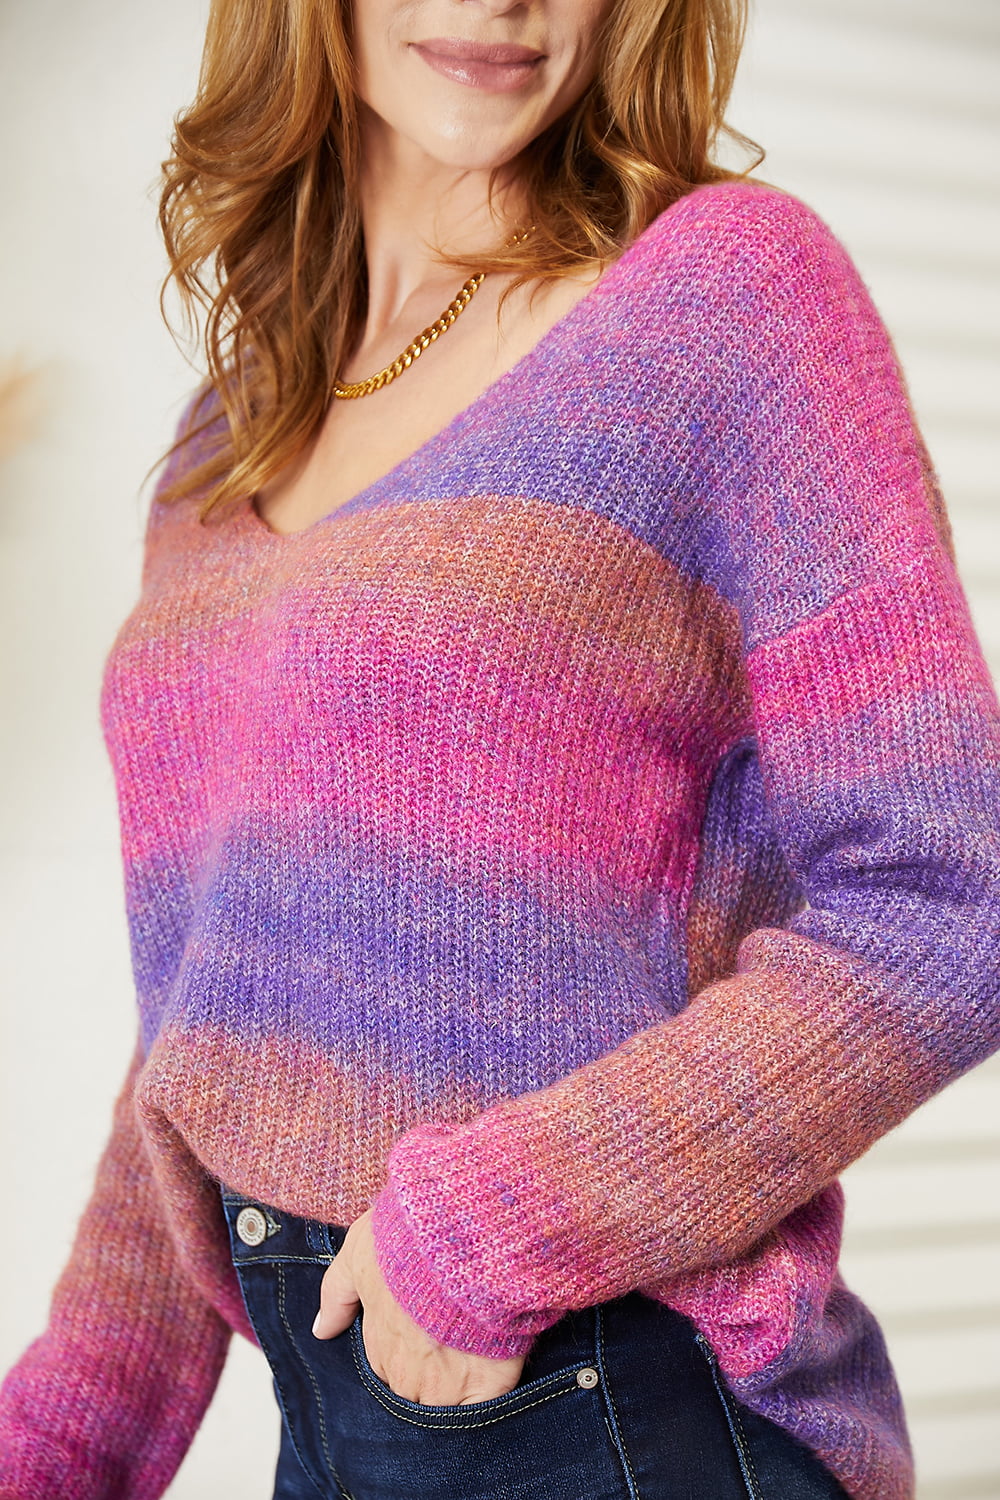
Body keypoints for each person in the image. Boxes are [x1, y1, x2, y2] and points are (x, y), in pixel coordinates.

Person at [1, 0, 998, 1497]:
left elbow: (952, 892)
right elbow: (211, 1028)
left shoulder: (726, 296)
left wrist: (498, 1228)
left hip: (608, 1394)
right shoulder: (225, 445)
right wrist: (61, 1438)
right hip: (328, 1418)